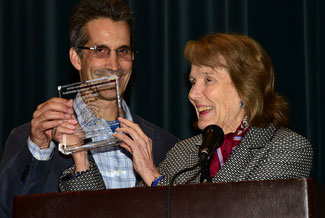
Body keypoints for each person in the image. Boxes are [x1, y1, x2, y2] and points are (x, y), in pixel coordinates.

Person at [58, 33, 313, 191]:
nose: (193, 94)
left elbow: (239, 211)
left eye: (208, 80)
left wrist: (154, 178)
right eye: (193, 82)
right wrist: (80, 156)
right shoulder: (183, 153)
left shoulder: (286, 148)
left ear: (246, 89)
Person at [0, 0, 178, 217]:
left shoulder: (166, 145)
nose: (114, 65)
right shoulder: (33, 140)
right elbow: (9, 211)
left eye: (123, 51)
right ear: (76, 58)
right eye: (100, 50)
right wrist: (39, 149)